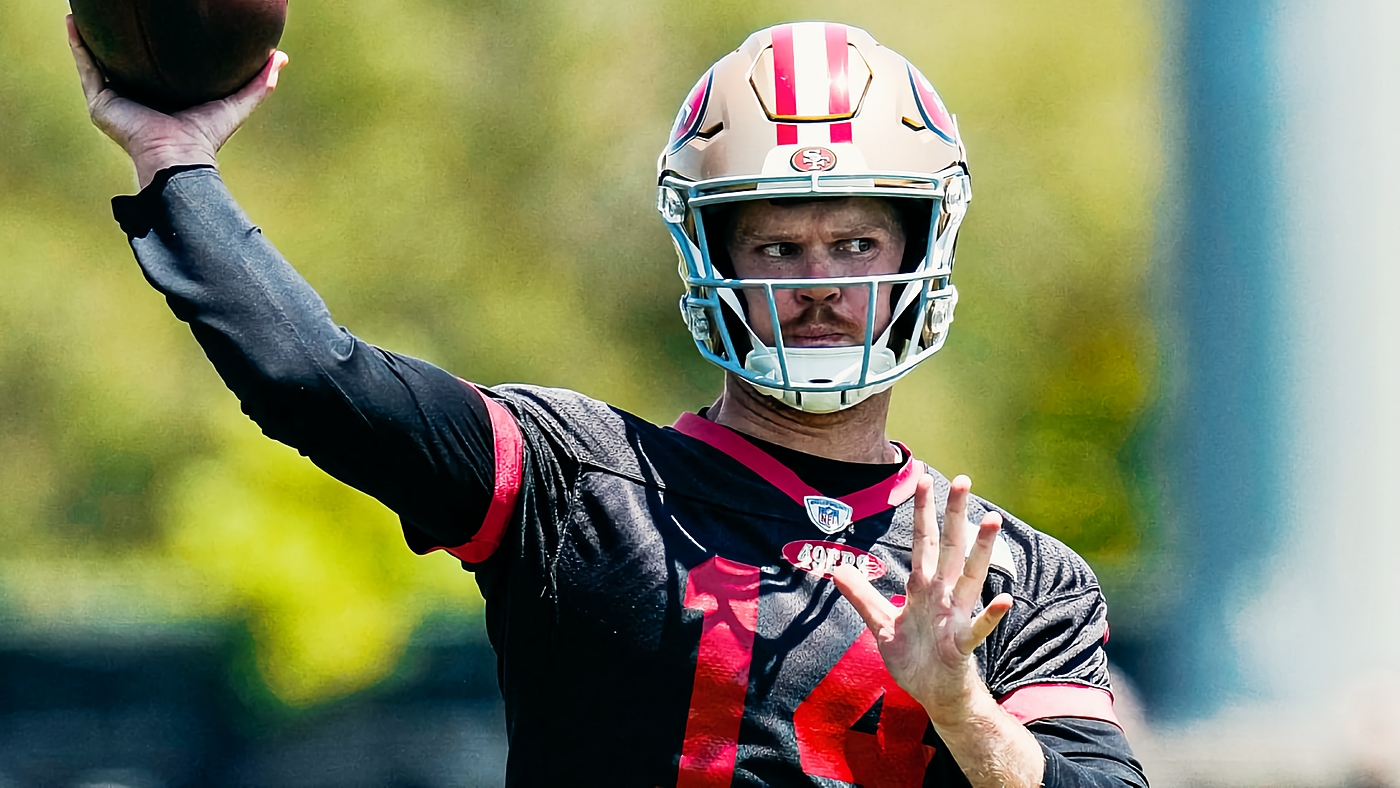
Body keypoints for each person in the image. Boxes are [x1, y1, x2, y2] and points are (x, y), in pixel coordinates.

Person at [68, 17, 1149, 788]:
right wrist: (177, 164)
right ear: (709, 256)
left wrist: (959, 705)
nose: (818, 282)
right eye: (776, 244)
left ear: (916, 250)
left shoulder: (1008, 574)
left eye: (856, 243)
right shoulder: (574, 481)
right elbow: (318, 379)